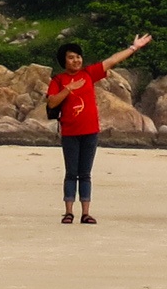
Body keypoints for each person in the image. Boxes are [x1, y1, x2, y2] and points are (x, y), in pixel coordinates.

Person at [45, 32, 153, 224]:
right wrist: (68, 89)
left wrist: (133, 47)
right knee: (71, 173)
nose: (76, 60)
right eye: (71, 57)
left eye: (78, 56)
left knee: (85, 174)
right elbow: (52, 103)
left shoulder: (88, 74)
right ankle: (68, 212)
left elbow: (111, 61)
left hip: (90, 131)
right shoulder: (58, 80)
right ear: (64, 60)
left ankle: (86, 213)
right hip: (70, 132)